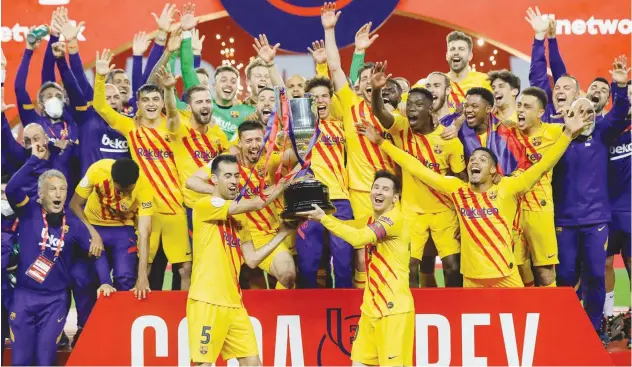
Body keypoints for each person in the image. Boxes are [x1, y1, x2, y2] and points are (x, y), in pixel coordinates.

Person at [360, 96, 593, 289]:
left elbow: (543, 165)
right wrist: (382, 142)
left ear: (493, 170)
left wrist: (567, 135)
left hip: (507, 279)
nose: (474, 162)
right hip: (471, 283)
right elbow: (416, 168)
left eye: (482, 159)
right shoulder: (457, 189)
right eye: (472, 159)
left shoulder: (507, 188)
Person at [5, 144, 115, 366]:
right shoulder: (28, 212)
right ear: (41, 193)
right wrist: (34, 160)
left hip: (55, 301)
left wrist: (105, 281)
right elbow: (12, 189)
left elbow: (97, 251)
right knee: (20, 361)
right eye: (53, 189)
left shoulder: (74, 224)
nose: (58, 194)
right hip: (24, 298)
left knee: (45, 361)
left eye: (63, 189)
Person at [93, 49, 192, 290]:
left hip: (174, 207)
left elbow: (174, 111)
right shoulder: (131, 127)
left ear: (162, 104)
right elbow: (101, 108)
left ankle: (185, 318)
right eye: (145, 100)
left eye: (155, 100)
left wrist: (168, 89)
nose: (150, 104)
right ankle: (144, 309)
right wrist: (100, 77)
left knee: (185, 268)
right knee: (145, 267)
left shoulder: (174, 126)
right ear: (138, 103)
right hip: (145, 208)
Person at [187, 154, 295, 365]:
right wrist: (282, 184)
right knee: (203, 364)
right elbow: (255, 203)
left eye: (236, 176)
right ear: (215, 180)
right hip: (207, 300)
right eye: (227, 176)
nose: (234, 181)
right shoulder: (205, 205)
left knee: (253, 362)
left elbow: (252, 260)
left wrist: (283, 233)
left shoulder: (240, 217)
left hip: (235, 304)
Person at [297, 171, 414, 366]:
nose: (378, 192)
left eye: (385, 189)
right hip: (370, 309)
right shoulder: (371, 220)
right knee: (359, 363)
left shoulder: (394, 220)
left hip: (393, 311)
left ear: (395, 198)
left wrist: (324, 219)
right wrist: (318, 215)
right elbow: (346, 226)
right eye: (376, 187)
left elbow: (358, 238)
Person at [552, 57, 630, 345]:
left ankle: (593, 327)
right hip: (564, 222)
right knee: (566, 275)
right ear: (568, 112)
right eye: (578, 109)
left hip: (597, 220)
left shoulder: (602, 133)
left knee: (596, 274)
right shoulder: (556, 135)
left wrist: (619, 86)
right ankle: (568, 324)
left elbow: (620, 112)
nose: (584, 114)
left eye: (588, 110)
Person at [370, 62, 467, 288]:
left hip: (443, 211)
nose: (412, 108)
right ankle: (415, 313)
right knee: (410, 265)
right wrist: (376, 90)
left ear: (430, 109)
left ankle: (454, 311)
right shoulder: (402, 128)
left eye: (418, 104)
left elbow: (461, 180)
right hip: (412, 211)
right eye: (409, 104)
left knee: (452, 266)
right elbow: (380, 112)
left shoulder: (449, 139)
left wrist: (465, 218)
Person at [321, 2, 397, 288]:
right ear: (358, 85)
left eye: (373, 79)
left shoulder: (391, 113)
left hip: (389, 194)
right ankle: (361, 306)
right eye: (364, 79)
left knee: (389, 252)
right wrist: (330, 30)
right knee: (361, 255)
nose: (368, 82)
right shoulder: (350, 104)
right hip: (357, 193)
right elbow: (335, 67)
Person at [187, 121, 297, 289]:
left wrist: (303, 145)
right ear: (239, 143)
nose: (254, 145)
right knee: (244, 286)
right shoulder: (226, 162)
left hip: (266, 234)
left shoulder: (269, 159)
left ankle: (277, 312)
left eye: (258, 140)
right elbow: (191, 181)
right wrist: (221, 193)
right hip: (235, 234)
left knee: (288, 274)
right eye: (248, 141)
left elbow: (297, 155)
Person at [294, 76, 354, 289]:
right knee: (308, 265)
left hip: (341, 200)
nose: (319, 100)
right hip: (310, 200)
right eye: (314, 97)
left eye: (324, 96)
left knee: (343, 263)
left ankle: (346, 308)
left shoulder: (342, 126)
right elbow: (284, 98)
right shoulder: (302, 128)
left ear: (331, 99)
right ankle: (309, 311)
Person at [70, 158, 154, 296]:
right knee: (95, 279)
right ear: (112, 179)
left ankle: (120, 316)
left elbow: (145, 234)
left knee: (125, 277)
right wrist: (92, 233)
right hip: (94, 224)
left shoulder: (144, 187)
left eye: (129, 191)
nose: (123, 195)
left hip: (123, 228)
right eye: (120, 190)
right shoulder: (97, 171)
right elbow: (75, 204)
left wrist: (142, 276)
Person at [513, 87, 563, 287]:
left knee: (544, 271)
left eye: (527, 106)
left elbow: (586, 125)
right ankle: (526, 312)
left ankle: (550, 316)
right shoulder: (506, 130)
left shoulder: (554, 131)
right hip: (512, 210)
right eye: (519, 105)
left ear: (540, 112)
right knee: (516, 268)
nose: (520, 110)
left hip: (539, 209)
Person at [604, 81, 631, 348]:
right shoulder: (607, 129)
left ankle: (631, 320)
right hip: (605, 211)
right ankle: (608, 317)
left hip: (630, 212)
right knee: (605, 264)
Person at [525, 7, 574, 123]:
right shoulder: (545, 111)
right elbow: (538, 76)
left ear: (576, 94)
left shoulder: (582, 117)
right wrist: (540, 37)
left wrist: (552, 40)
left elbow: (560, 75)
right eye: (557, 88)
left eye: (566, 88)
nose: (560, 91)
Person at [444, 31, 492, 109]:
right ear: (447, 55)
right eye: (452, 49)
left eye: (461, 49)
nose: (456, 52)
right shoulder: (437, 83)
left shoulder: (486, 81)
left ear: (470, 56)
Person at [211, 66, 255, 142]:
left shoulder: (248, 112)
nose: (229, 84)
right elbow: (188, 70)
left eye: (233, 81)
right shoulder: (204, 105)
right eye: (223, 80)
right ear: (214, 85)